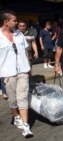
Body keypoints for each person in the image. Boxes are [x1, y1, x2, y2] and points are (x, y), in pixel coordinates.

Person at [0, 10, 33, 138]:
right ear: (6, 22)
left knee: (22, 97)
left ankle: (26, 126)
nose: (17, 22)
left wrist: (29, 68)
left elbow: (24, 52)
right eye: (14, 20)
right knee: (12, 99)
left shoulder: (19, 34)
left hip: (22, 70)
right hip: (7, 72)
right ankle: (16, 115)